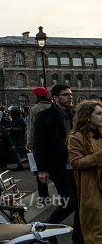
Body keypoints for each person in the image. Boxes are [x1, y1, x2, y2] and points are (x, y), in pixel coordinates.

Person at [34, 84, 83, 243]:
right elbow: (39, 145)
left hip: (77, 165)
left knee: (81, 205)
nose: (70, 97)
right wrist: (42, 170)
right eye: (65, 94)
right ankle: (46, 227)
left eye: (71, 94)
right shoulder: (45, 116)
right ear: (55, 98)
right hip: (59, 166)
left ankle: (78, 238)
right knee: (69, 203)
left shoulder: (75, 114)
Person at [67, 100, 102, 244]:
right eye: (99, 114)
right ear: (87, 116)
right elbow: (76, 162)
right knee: (95, 231)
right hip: (91, 188)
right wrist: (99, 157)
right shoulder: (76, 137)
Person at [27, 87, 52, 198]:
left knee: (40, 170)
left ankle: (44, 197)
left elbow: (31, 128)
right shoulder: (54, 107)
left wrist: (29, 144)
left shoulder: (35, 109)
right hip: (54, 142)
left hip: (39, 143)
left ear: (37, 97)